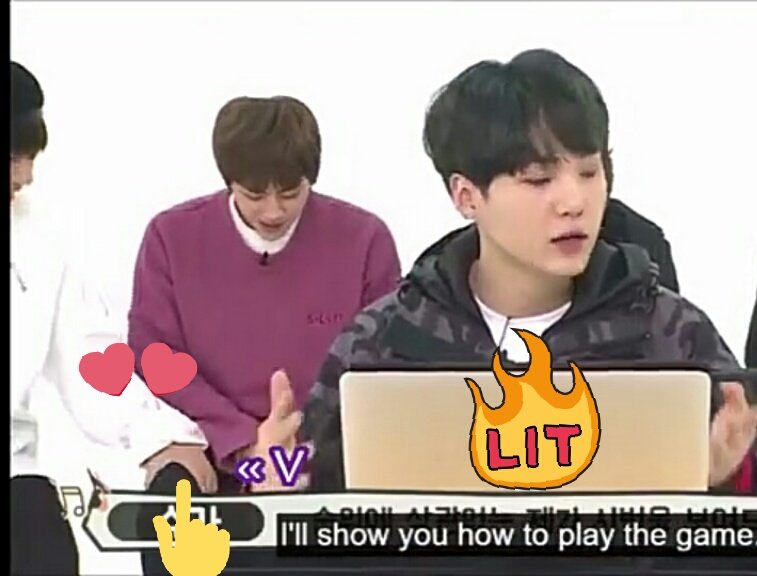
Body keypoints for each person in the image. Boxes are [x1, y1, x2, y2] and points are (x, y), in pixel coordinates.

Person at [300, 50, 756, 496]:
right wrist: (275, 480)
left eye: (589, 172)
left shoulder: (671, 334)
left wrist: (723, 479)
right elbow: (307, 496)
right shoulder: (385, 339)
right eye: (538, 179)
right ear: (466, 196)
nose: (573, 202)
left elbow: (736, 502)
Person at [127, 95, 401, 573]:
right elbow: (153, 352)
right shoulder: (171, 237)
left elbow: (384, 363)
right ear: (228, 181)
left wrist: (297, 450)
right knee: (171, 510)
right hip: (212, 449)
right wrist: (244, 443)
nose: (273, 211)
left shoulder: (364, 239)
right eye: (254, 195)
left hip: (325, 456)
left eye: (290, 192)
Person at [10, 61, 213, 576]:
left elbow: (89, 359)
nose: (25, 177)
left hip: (14, 476)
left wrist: (161, 438)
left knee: (42, 544)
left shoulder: (38, 236)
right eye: (12, 158)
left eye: (30, 158)